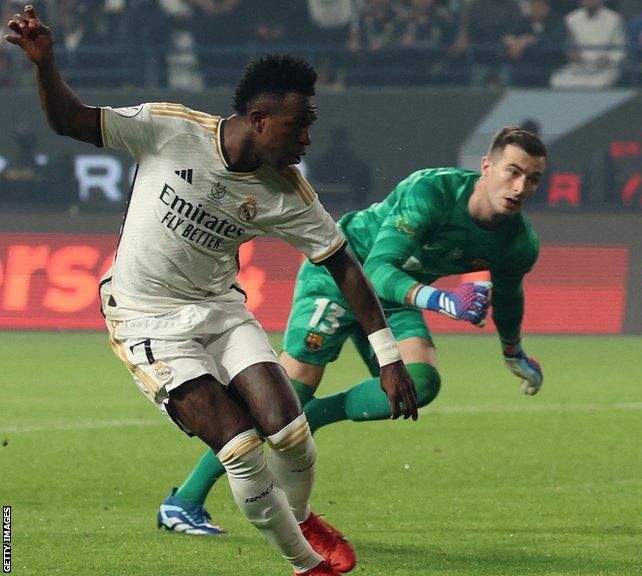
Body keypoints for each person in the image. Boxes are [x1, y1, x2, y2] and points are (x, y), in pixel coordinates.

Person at [4, 6, 418, 576]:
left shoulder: (287, 193)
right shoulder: (169, 130)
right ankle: (306, 566)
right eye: (298, 125)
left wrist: (389, 357)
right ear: (258, 118)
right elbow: (69, 120)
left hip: (220, 311)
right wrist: (45, 63)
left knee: (292, 432)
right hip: (145, 319)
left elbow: (344, 265)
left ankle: (298, 517)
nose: (306, 138)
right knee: (243, 449)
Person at [158, 127, 547, 538]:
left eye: (533, 179)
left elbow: (508, 297)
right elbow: (377, 270)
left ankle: (314, 417)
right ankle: (183, 501)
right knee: (286, 390)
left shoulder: (519, 241)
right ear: (487, 166)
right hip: (342, 273)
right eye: (513, 171)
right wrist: (443, 301)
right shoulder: (432, 191)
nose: (520, 187)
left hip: (396, 297)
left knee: (421, 383)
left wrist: (512, 351)